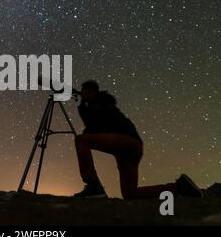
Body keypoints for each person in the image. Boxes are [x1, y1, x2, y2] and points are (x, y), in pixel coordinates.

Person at [73, 80, 203, 199]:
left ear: (90, 92)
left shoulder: (98, 104)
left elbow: (92, 128)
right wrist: (84, 104)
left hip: (126, 142)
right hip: (131, 148)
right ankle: (178, 189)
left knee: (81, 140)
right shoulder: (101, 103)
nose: (82, 94)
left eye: (83, 91)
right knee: (130, 194)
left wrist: (83, 105)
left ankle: (93, 186)